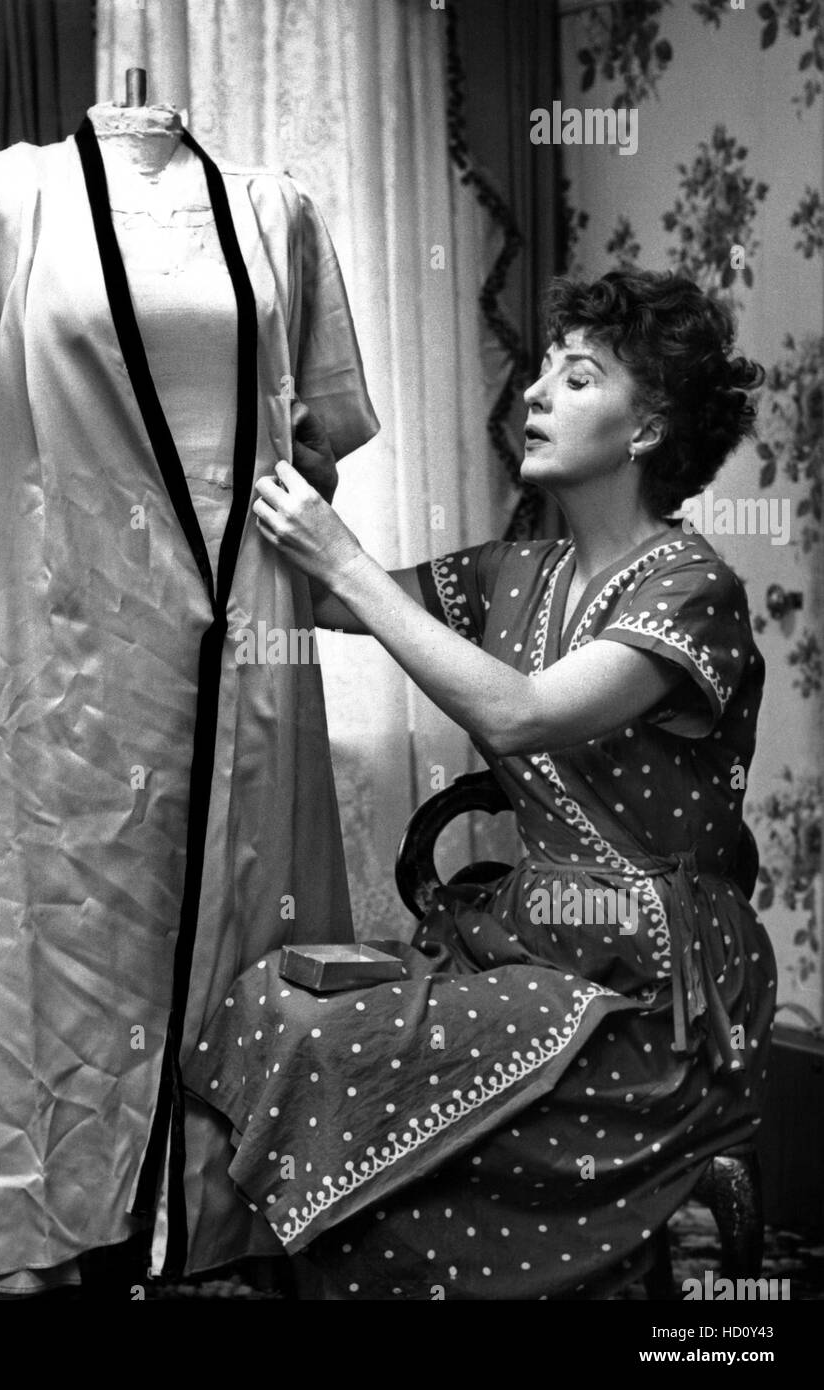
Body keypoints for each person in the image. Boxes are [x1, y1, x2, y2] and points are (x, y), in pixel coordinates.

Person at [185, 267, 777, 1299]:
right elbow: (339, 605)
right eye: (540, 369)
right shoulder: (521, 573)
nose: (535, 394)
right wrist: (310, 494)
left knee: (337, 1044)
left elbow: (520, 710)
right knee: (272, 1004)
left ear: (647, 429)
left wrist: (347, 560)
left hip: (651, 998)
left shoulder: (693, 589)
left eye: (576, 377)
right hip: (529, 946)